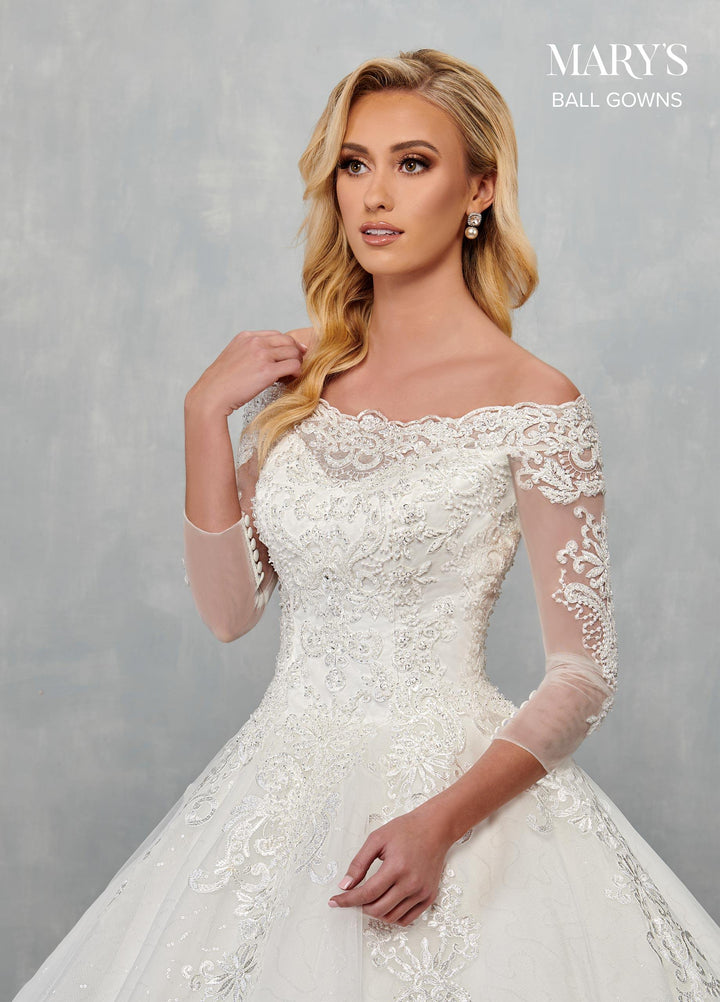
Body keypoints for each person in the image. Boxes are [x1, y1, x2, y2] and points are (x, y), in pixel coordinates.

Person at [12, 47, 720, 1002]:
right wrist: (201, 415)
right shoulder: (304, 379)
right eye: (354, 164)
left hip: (451, 791)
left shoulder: (535, 401)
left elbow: (583, 675)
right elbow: (229, 614)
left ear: (480, 189)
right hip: (279, 782)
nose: (375, 195)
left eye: (412, 163)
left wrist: (441, 823)